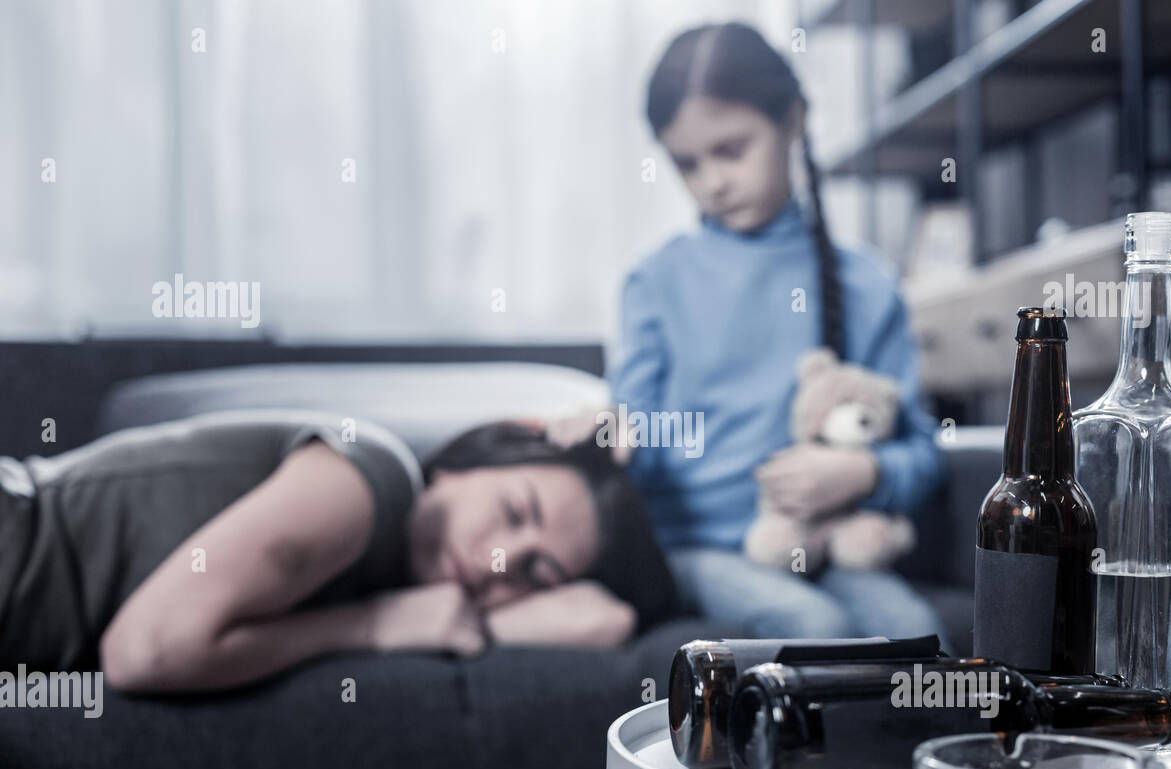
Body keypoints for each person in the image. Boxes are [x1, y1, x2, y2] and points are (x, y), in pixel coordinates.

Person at [605, 22, 945, 647]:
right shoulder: (654, 282)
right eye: (687, 163)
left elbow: (922, 454)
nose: (712, 181)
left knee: (913, 631)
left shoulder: (865, 283)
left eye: (731, 150)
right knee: (814, 626)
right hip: (698, 548)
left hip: (823, 540)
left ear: (792, 121)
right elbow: (639, 439)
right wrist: (616, 434)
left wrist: (862, 474)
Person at [0, 409, 675, 694]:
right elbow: (142, 653)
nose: (502, 558)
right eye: (512, 512)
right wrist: (380, 626)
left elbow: (606, 621)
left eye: (536, 572)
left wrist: (483, 624)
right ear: (474, 457)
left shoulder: (380, 563)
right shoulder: (372, 481)